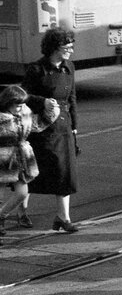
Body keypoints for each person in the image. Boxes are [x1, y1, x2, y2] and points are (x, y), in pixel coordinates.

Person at [20, 28, 80, 233]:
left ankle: (63, 218)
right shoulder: (36, 69)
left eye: (71, 46)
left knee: (65, 172)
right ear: (55, 48)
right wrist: (42, 101)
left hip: (63, 127)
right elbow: (23, 95)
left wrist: (74, 128)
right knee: (32, 173)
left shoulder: (69, 67)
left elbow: (72, 99)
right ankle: (21, 212)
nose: (71, 51)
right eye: (67, 47)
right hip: (41, 129)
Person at [0, 85, 59, 238]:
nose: (20, 109)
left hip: (21, 158)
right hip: (2, 158)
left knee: (22, 193)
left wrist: (52, 111)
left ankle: (1, 216)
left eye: (22, 105)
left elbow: (38, 125)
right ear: (8, 103)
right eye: (17, 106)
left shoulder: (25, 113)